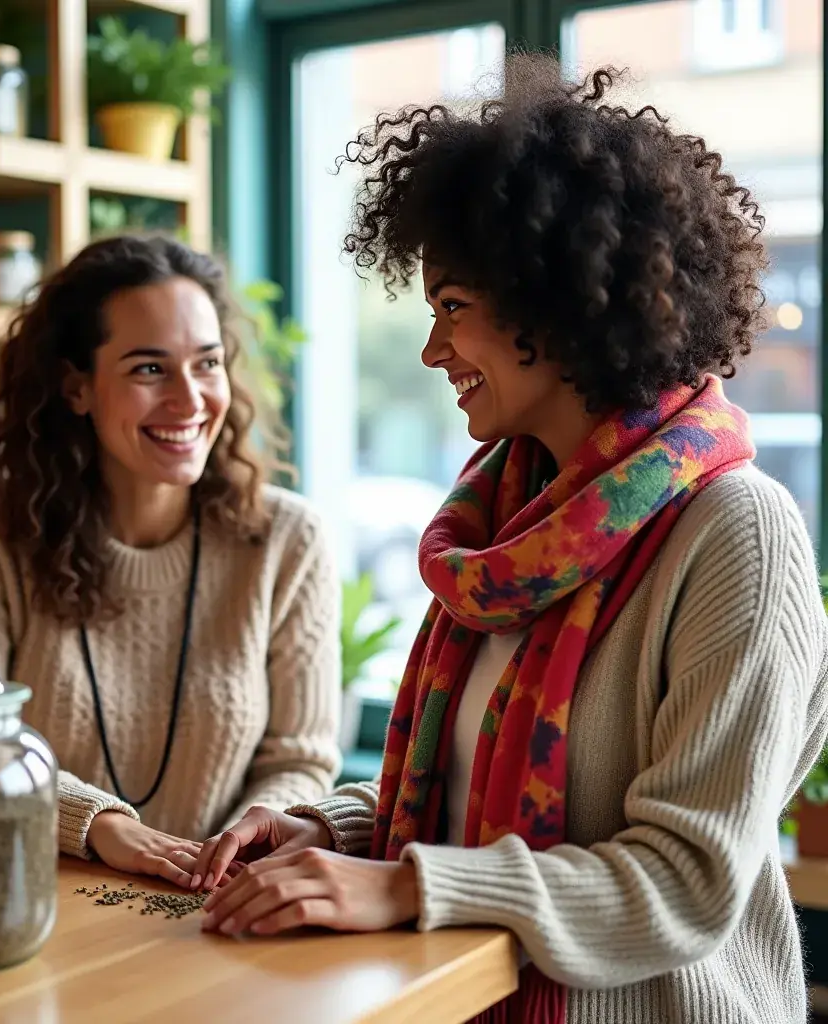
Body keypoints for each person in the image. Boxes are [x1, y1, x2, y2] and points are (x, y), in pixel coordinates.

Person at [191, 58, 828, 1024]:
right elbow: (464, 803)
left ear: (550, 303)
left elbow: (688, 878)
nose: (432, 350)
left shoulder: (735, 532)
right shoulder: (510, 528)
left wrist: (405, 888)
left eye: (452, 309)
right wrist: (330, 827)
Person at [0, 233, 342, 885]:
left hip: (214, 906)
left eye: (207, 363)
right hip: (29, 898)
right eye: (149, 369)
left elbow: (302, 757)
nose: (189, 399)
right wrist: (101, 827)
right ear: (76, 387)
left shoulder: (288, 541)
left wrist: (256, 828)